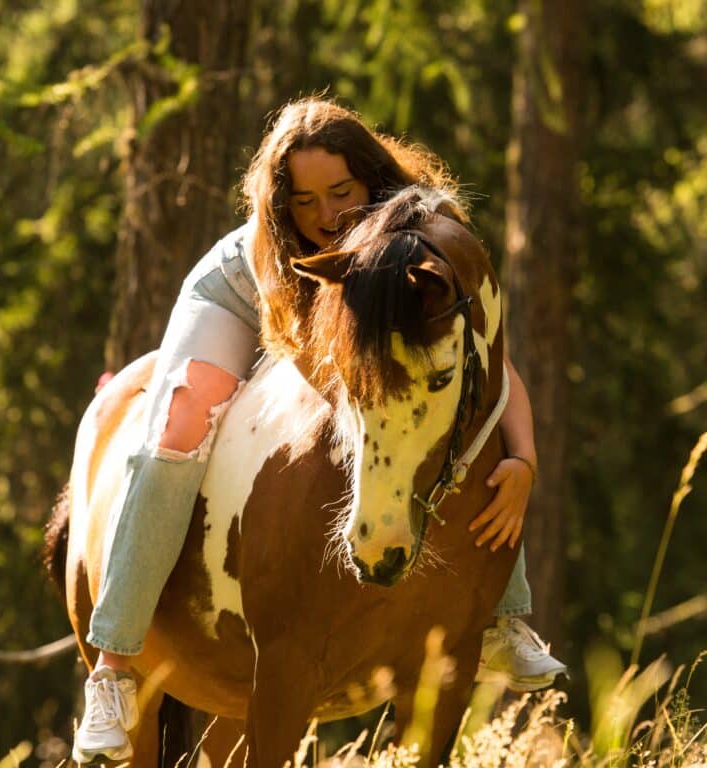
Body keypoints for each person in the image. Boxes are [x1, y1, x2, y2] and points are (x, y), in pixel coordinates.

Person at [72, 97, 566, 764]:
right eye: (304, 201)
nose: (327, 215)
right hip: (241, 298)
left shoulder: (418, 228)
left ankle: (503, 614)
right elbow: (316, 364)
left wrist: (525, 460)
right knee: (178, 428)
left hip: (354, 287)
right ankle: (113, 669)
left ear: (371, 178)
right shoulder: (275, 242)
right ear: (283, 205)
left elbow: (489, 362)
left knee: (453, 394)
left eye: (341, 192)